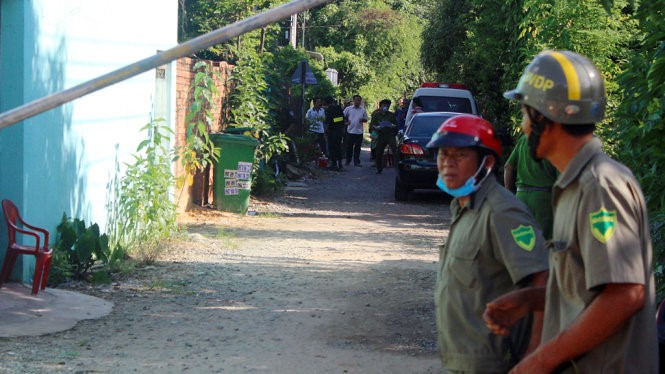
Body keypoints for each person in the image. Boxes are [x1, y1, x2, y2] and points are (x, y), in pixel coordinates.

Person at [484, 50, 658, 373]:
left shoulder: (600, 186)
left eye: (525, 114)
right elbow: (585, 291)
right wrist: (531, 300)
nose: (522, 128)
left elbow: (626, 294)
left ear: (547, 116)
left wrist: (540, 360)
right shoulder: (573, 187)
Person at [427, 114, 549, 373]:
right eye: (443, 154)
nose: (448, 163)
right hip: (466, 361)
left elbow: (542, 282)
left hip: (497, 363)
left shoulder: (502, 212)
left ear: (488, 162)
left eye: (460, 155)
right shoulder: (463, 207)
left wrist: (534, 358)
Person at [504, 133, 558, 239]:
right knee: (544, 245)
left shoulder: (525, 138)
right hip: (544, 201)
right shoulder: (555, 140)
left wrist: (509, 194)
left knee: (523, 242)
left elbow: (508, 166)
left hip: (521, 197)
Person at [369, 99, 397, 174]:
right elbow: (372, 125)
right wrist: (376, 128)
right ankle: (379, 168)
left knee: (395, 151)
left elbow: (396, 125)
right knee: (379, 152)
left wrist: (393, 126)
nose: (386, 107)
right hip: (380, 135)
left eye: (387, 106)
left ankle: (397, 168)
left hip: (390, 135)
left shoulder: (391, 115)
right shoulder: (376, 115)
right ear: (381, 106)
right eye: (384, 105)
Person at [343, 94, 368, 167]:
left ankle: (356, 161)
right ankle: (348, 161)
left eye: (359, 100)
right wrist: (345, 122)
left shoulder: (362, 109)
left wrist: (363, 119)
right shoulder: (348, 109)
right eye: (356, 100)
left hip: (359, 131)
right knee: (349, 147)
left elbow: (366, 119)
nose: (358, 102)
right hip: (350, 131)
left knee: (357, 147)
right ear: (353, 100)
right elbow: (342, 117)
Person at [324, 96, 346, 171]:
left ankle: (334, 164)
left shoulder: (329, 109)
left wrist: (326, 130)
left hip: (332, 131)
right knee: (338, 147)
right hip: (339, 130)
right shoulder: (339, 107)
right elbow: (342, 118)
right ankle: (340, 163)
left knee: (332, 147)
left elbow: (328, 121)